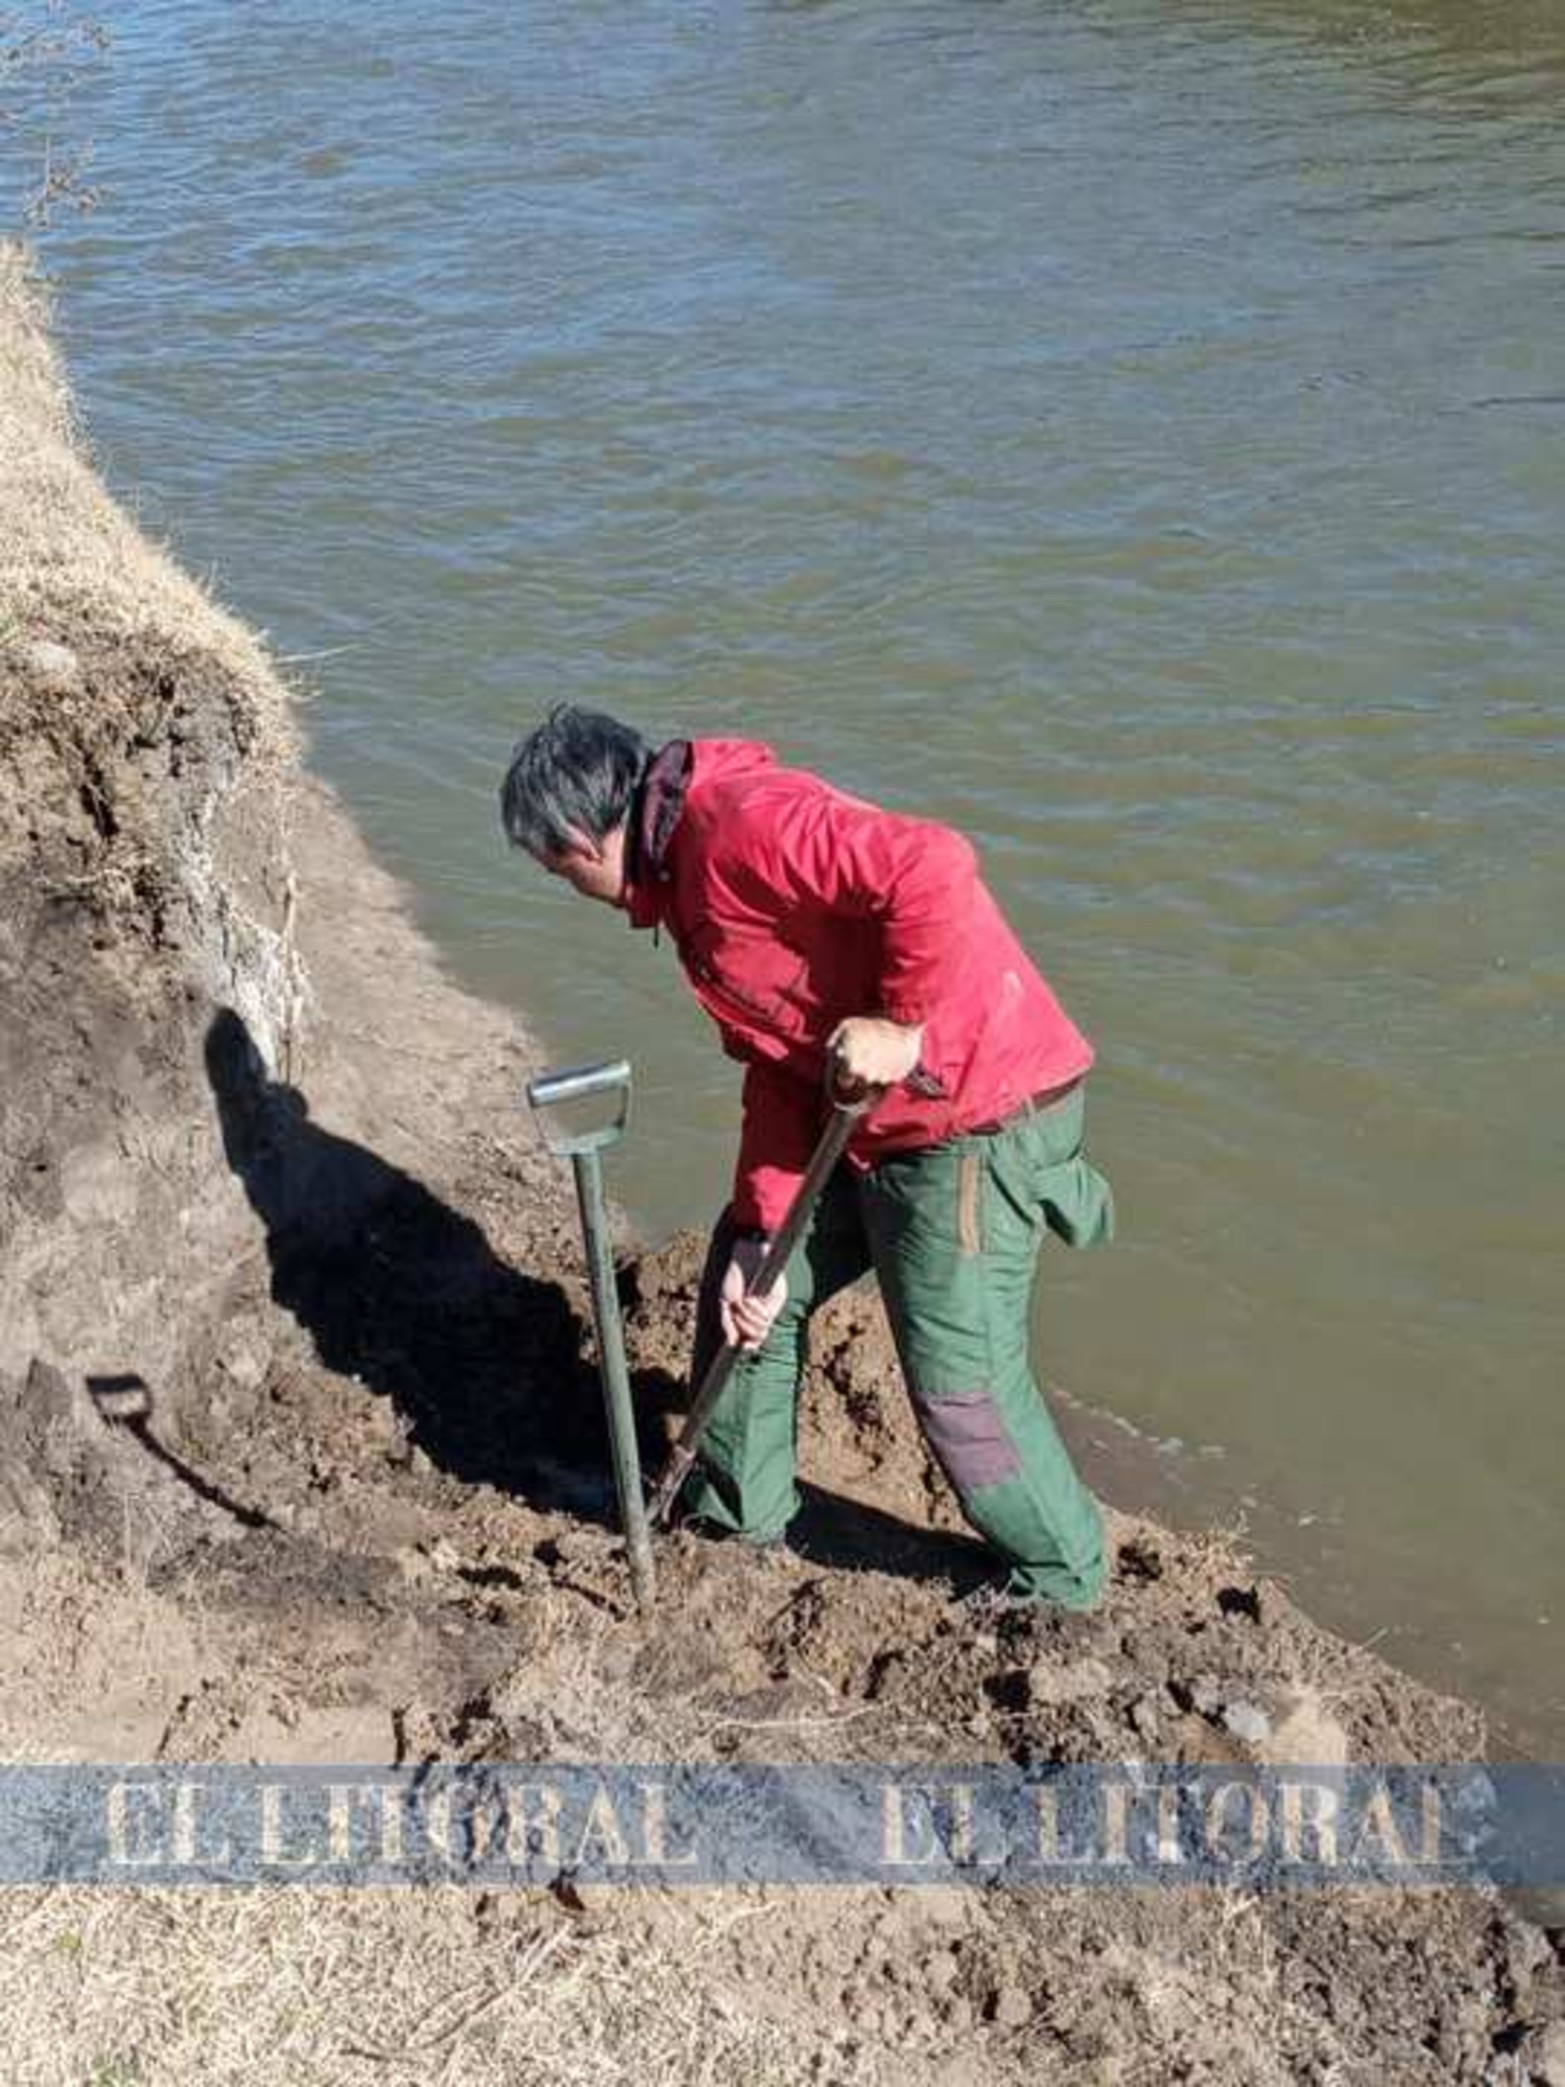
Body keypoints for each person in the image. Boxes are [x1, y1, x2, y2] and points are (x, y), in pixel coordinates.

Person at [500, 706, 1115, 1609]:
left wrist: (903, 1023)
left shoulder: (740, 822)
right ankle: (735, 1513)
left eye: (553, 867)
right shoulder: (686, 888)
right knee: (745, 1288)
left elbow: (931, 863)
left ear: (581, 839)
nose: (562, 885)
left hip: (973, 1115)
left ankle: (1065, 1578)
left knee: (959, 1379)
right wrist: (762, 1226)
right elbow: (781, 1069)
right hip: (872, 1122)